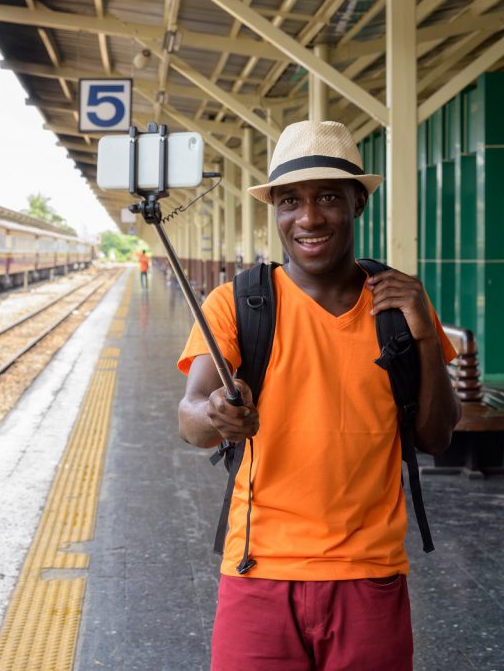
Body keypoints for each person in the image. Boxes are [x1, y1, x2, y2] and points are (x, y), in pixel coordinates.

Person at [176, 121, 461, 670]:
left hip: (369, 573)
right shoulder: (238, 304)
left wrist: (425, 334)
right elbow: (191, 419)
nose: (308, 218)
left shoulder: (399, 306)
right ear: (276, 212)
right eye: (290, 202)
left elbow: (436, 436)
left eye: (328, 197)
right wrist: (216, 412)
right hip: (257, 571)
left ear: (358, 203)